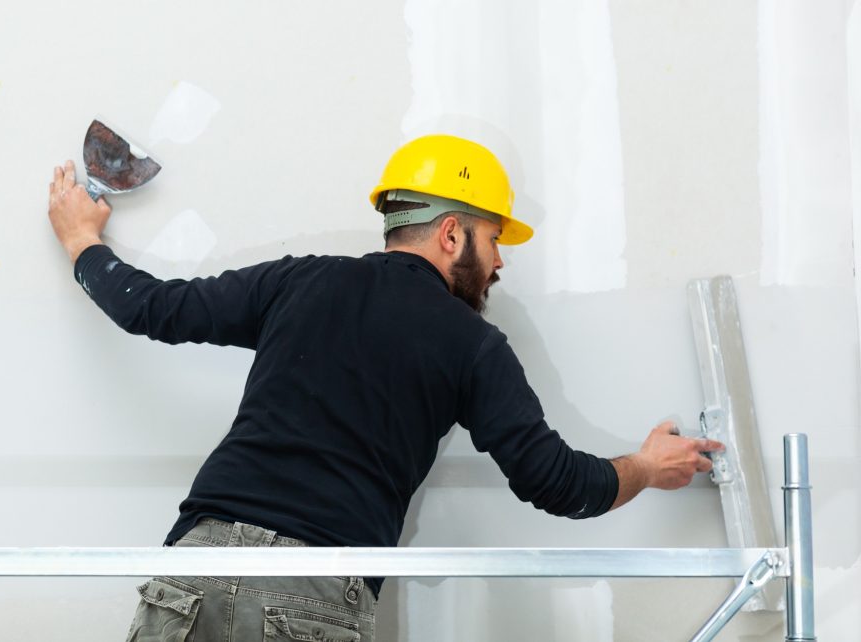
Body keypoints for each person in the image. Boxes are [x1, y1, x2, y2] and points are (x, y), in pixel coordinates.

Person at [48, 134, 723, 642]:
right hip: (310, 597)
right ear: (453, 232)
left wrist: (82, 241)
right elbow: (556, 483)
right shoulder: (472, 345)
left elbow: (154, 309)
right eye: (492, 238)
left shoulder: (300, 282)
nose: (499, 261)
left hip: (194, 571)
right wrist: (644, 466)